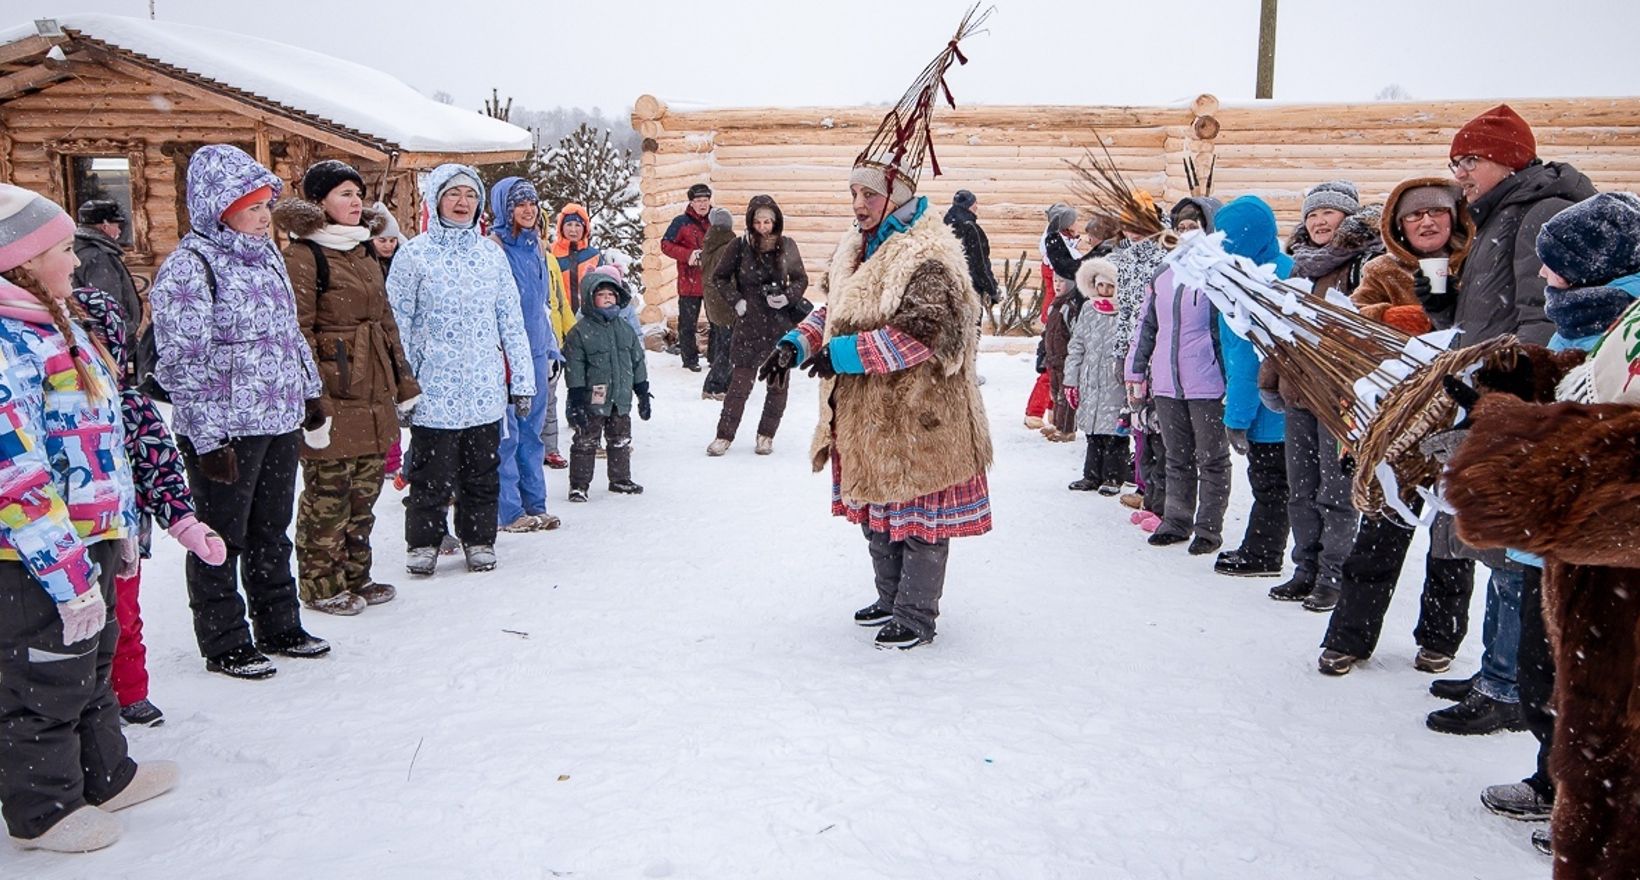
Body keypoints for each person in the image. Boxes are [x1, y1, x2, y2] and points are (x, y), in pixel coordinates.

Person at [758, 58, 993, 650]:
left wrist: (842, 355)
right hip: (868, 414)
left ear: (896, 194)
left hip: (920, 414)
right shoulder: (856, 245)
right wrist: (795, 344)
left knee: (918, 522)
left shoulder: (928, 255)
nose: (857, 203)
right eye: (853, 192)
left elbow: (920, 337)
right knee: (877, 515)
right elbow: (833, 308)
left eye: (867, 193)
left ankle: (916, 614)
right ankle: (890, 599)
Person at [0, 183, 179, 852]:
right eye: (64, 249)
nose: (77, 261)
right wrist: (63, 567)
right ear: (23, 260)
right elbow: (13, 471)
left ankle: (104, 772)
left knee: (91, 664)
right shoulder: (8, 343)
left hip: (91, 535)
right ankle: (42, 808)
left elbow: (101, 438)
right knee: (45, 674)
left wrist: (120, 529)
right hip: (31, 555)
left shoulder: (57, 323)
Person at [1444, 294, 1640, 875]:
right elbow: (1612, 383)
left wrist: (1507, 436)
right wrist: (1540, 376)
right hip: (1611, 638)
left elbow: (1605, 485)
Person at [1426, 103, 1599, 737]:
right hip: (1493, 394)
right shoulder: (1501, 214)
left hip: (1519, 404)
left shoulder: (1538, 213)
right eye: (1457, 162)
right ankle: (1495, 672)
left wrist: (1509, 400)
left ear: (1506, 158)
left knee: (1512, 552)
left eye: (1468, 161)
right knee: (1500, 549)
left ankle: (1505, 684)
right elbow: (1490, 315)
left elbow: (1541, 316)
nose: (1460, 174)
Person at [149, 144, 330, 680]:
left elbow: (288, 335)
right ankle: (224, 639)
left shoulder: (267, 254)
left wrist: (310, 394)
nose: (262, 216)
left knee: (273, 528)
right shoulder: (189, 266)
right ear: (218, 206)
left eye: (265, 205)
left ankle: (279, 624)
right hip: (226, 429)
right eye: (251, 207)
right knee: (219, 537)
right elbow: (182, 362)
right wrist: (207, 441)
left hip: (277, 417)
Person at [1317, 178, 1480, 675]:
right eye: (1415, 216)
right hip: (1400, 428)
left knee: (1453, 541)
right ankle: (1349, 638)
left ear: (1454, 218)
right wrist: (1391, 315)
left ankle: (1440, 639)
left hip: (1463, 419)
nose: (1427, 222)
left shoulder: (1475, 267)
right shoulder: (1383, 270)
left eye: (1437, 213)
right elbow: (1353, 322)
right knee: (1379, 538)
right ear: (1399, 225)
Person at [72, 282, 227, 726]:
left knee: (121, 618)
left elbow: (161, 471)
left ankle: (129, 691)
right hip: (59, 541)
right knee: (69, 628)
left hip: (121, 539)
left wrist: (183, 521)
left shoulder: (130, 405)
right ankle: (79, 705)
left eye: (98, 339)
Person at [276, 160, 421, 616]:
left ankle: (357, 574)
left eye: (358, 194)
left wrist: (403, 382)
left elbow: (385, 322)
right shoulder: (303, 256)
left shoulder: (362, 252)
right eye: (343, 194)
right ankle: (320, 584)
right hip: (334, 390)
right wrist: (312, 401)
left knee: (365, 493)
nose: (355, 202)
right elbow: (296, 332)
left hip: (373, 388)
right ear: (319, 202)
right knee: (328, 496)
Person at [387, 164, 534, 576]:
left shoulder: (490, 254)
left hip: (484, 387)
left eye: (470, 195)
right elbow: (396, 324)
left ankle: (479, 539)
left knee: (481, 474)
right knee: (431, 475)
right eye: (453, 194)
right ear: (436, 200)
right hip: (433, 388)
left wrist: (522, 380)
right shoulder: (414, 254)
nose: (462, 202)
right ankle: (423, 543)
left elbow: (511, 321)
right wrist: (401, 387)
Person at [1260, 180, 1379, 611]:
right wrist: (1270, 378)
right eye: (1312, 215)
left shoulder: (1364, 265)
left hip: (1340, 400)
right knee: (1301, 487)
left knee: (1336, 489)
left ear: (1348, 217)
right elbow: (1282, 331)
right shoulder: (1299, 268)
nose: (1318, 221)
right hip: (1298, 394)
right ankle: (1305, 568)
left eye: (1328, 213)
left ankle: (1334, 574)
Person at [1125, 198, 1231, 555]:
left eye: (1194, 226)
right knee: (1176, 454)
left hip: (1208, 381)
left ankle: (1208, 528)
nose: (1187, 233)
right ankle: (1176, 520)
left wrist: (1230, 379)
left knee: (1211, 458)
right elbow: (1147, 325)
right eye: (1182, 227)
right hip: (1168, 380)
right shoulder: (1164, 273)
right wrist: (1136, 369)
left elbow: (1228, 331)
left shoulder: (1220, 272)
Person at [1211, 196, 1292, 577]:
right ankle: (1271, 551)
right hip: (1294, 403)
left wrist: (1237, 417)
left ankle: (1263, 553)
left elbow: (1248, 359)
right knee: (1289, 486)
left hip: (1268, 410)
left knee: (1270, 483)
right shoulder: (1286, 269)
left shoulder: (1250, 285)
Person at [486, 177, 565, 534]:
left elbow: (542, 306)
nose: (528, 209)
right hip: (505, 354)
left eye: (532, 202)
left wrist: (550, 348)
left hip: (535, 350)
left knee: (533, 433)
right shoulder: (494, 247)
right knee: (509, 433)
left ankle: (536, 504)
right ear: (505, 207)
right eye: (519, 203)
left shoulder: (536, 247)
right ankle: (509, 510)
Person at [708, 195, 808, 456]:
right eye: (758, 221)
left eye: (768, 222)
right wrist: (737, 300)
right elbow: (719, 277)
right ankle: (724, 436)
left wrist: (787, 297)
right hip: (749, 324)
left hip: (779, 324)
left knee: (777, 385)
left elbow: (800, 279)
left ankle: (766, 435)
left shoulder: (787, 246)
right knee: (738, 386)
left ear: (776, 222)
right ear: (751, 221)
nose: (763, 226)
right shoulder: (738, 246)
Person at [564, 266, 649, 501]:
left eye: (612, 294)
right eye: (602, 295)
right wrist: (576, 397)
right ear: (591, 299)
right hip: (593, 397)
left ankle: (620, 478)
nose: (608, 298)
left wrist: (642, 390)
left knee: (620, 438)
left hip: (620, 396)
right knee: (585, 440)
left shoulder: (624, 329)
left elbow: (637, 360)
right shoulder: (580, 332)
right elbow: (575, 366)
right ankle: (579, 484)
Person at [1061, 257, 1128, 493]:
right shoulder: (1089, 309)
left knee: (1114, 433)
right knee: (1092, 432)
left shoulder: (1125, 312)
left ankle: (1113, 476)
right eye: (1101, 286)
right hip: (1090, 380)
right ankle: (1091, 475)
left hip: (1114, 381)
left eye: (1110, 286)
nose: (1105, 291)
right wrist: (1071, 379)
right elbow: (1077, 345)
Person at [71, 199, 141, 378]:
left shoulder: (81, 249)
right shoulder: (97, 256)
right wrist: (124, 331)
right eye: (117, 225)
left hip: (91, 336)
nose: (119, 231)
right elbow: (107, 303)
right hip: (107, 340)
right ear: (104, 225)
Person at [661, 183, 713, 371]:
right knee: (687, 324)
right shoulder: (680, 222)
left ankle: (714, 358)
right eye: (698, 201)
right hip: (688, 281)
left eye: (705, 200)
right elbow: (665, 245)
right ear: (691, 202)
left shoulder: (716, 220)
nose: (702, 204)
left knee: (717, 322)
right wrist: (688, 255)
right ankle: (690, 360)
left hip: (712, 281)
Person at [699, 207, 738, 400]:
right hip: (725, 304)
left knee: (724, 343)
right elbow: (730, 278)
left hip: (714, 302)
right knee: (729, 346)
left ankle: (723, 383)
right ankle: (714, 386)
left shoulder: (711, 242)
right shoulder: (727, 246)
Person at [943, 189, 998, 305]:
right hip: (969, 289)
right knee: (970, 321)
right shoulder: (972, 229)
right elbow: (980, 263)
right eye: (974, 203)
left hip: (947, 287)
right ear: (968, 206)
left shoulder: (944, 226)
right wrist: (992, 289)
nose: (976, 207)